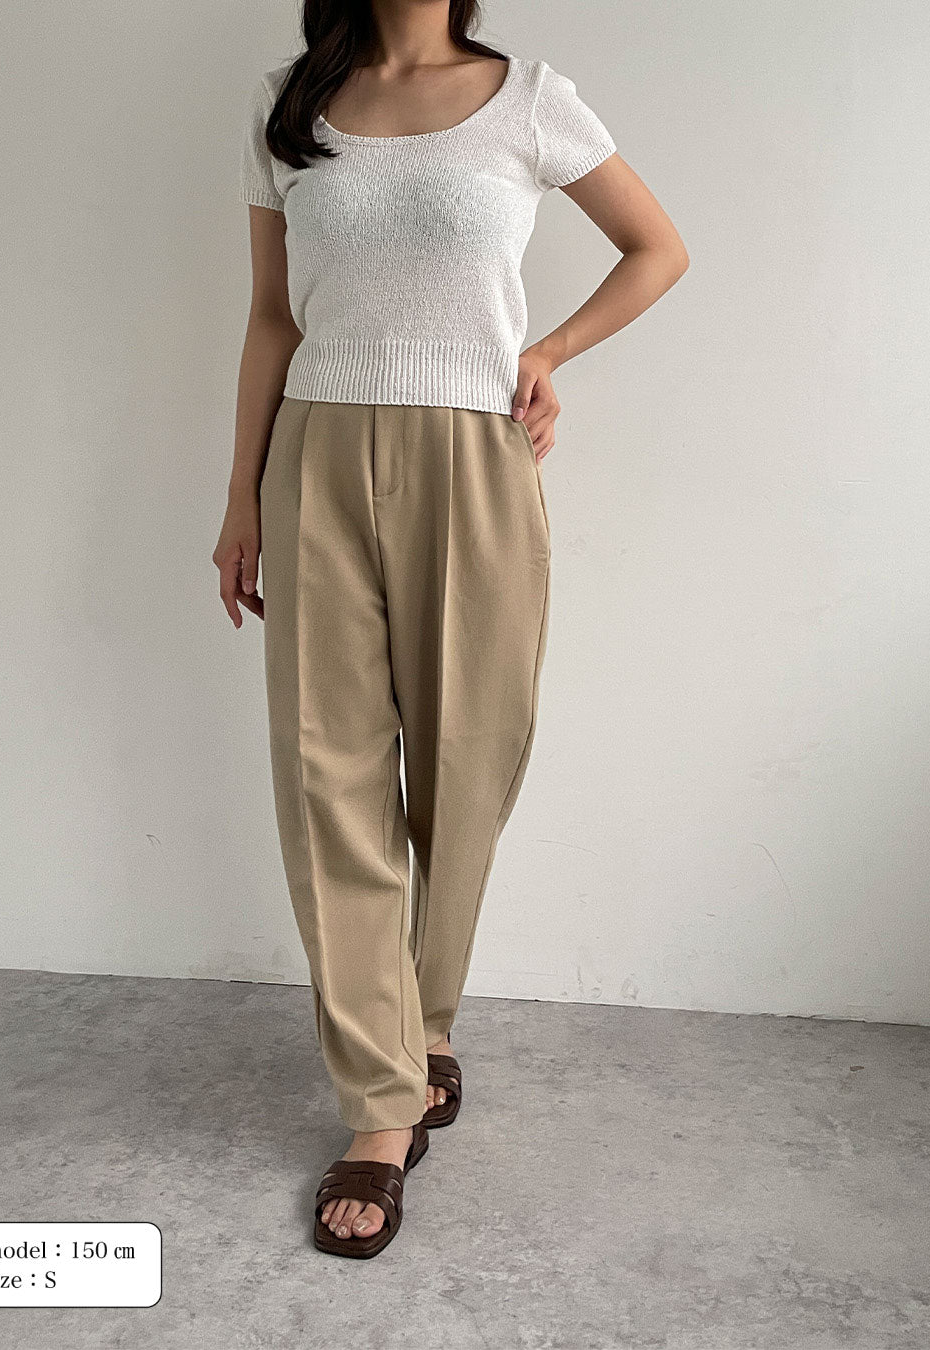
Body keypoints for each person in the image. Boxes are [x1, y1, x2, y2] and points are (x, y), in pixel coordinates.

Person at [214, 0, 688, 1259]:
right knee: (328, 772)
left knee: (468, 766)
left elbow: (657, 248)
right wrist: (241, 495)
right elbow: (272, 315)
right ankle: (381, 1106)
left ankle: (423, 1024)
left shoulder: (530, 98)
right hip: (315, 453)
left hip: (474, 455)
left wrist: (552, 351)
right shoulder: (289, 100)